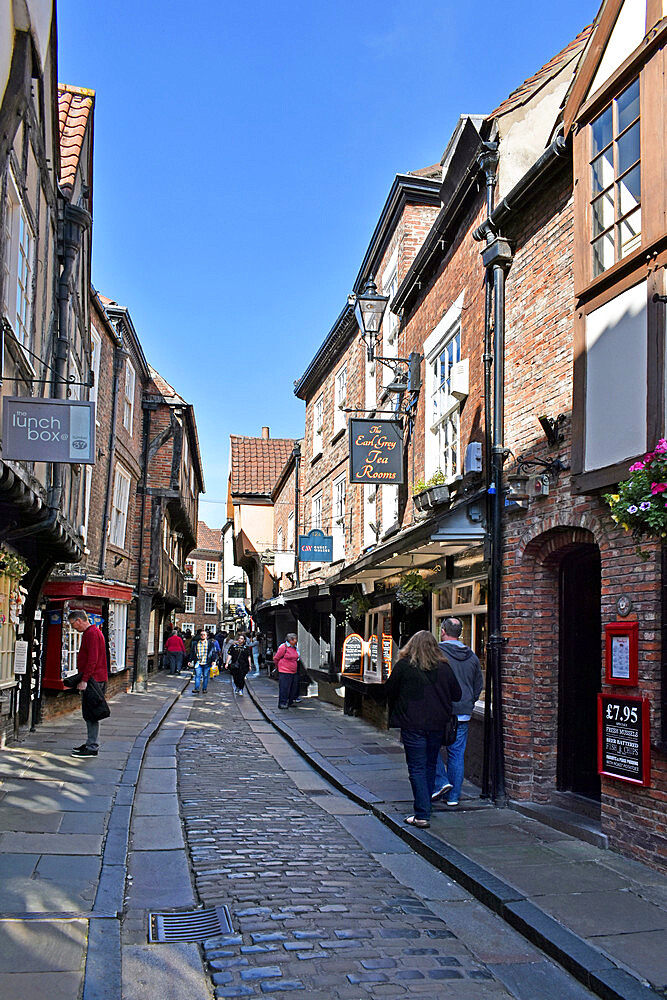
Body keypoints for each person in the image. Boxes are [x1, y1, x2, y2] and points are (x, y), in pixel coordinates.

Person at [385, 630, 461, 828]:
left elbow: (389, 690)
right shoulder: (444, 668)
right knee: (428, 766)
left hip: (412, 725)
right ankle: (425, 808)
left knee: (417, 768)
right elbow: (457, 694)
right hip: (437, 725)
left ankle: (421, 814)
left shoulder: (404, 666)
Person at [431, 617, 484, 808]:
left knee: (431, 749)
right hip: (463, 712)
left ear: (443, 632)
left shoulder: (436, 653)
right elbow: (479, 684)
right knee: (456, 754)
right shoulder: (472, 656)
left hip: (439, 712)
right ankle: (453, 796)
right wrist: (469, 701)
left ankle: (441, 782)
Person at [68, 610, 109, 757]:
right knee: (90, 713)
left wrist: (84, 680)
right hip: (96, 678)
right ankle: (90, 742)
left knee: (92, 714)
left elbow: (92, 659)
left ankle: (92, 747)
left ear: (79, 620)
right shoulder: (94, 632)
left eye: (73, 624)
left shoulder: (91, 634)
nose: (73, 628)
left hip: (94, 680)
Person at [187, 628, 220, 694]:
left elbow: (213, 652)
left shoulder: (210, 644)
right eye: (201, 635)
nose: (202, 636)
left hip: (207, 662)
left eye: (204, 635)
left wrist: (213, 660)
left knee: (205, 676)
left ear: (206, 636)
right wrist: (189, 660)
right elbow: (192, 653)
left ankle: (204, 689)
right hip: (198, 662)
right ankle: (196, 688)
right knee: (197, 676)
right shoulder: (195, 644)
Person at [273, 633, 300, 709]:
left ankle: (290, 702)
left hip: (293, 671)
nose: (296, 641)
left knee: (293, 688)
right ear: (290, 640)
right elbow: (276, 658)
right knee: (284, 688)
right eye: (295, 639)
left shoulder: (294, 647)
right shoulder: (283, 647)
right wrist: (279, 666)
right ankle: (282, 703)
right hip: (284, 671)